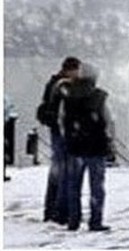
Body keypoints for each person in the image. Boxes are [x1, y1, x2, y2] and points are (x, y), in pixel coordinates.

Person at [59, 62, 114, 232]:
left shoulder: (68, 95)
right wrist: (109, 141)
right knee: (97, 186)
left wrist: (69, 137)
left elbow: (62, 119)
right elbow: (108, 121)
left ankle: (73, 220)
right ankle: (95, 220)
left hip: (75, 146)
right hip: (96, 146)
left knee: (74, 186)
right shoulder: (99, 96)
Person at [37, 56, 81, 224]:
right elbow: (64, 111)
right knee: (64, 171)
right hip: (62, 133)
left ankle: (51, 210)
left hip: (57, 130)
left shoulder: (53, 83)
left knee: (57, 171)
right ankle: (60, 211)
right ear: (71, 70)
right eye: (76, 70)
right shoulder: (62, 85)